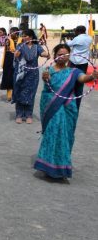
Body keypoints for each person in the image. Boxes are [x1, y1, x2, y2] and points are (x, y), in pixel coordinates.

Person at [34, 44, 98, 179]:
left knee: (64, 134)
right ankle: (47, 166)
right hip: (51, 105)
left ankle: (61, 168)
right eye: (59, 54)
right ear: (55, 55)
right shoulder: (48, 70)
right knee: (52, 132)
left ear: (70, 56)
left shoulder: (73, 72)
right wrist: (45, 77)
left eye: (65, 54)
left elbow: (83, 78)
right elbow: (47, 83)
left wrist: (92, 76)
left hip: (67, 107)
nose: (62, 57)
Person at [13, 29, 49, 124]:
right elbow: (16, 54)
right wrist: (16, 54)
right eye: (23, 36)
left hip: (33, 74)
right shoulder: (20, 45)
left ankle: (29, 114)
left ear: (31, 37)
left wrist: (47, 54)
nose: (24, 38)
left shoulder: (37, 47)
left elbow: (43, 53)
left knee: (31, 94)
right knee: (20, 92)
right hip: (21, 73)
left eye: (25, 36)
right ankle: (19, 114)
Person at [66, 25, 93, 109]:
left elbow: (69, 44)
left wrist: (68, 40)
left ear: (78, 31)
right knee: (81, 81)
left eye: (75, 31)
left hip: (74, 62)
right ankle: (77, 102)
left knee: (70, 80)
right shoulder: (89, 38)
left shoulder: (77, 38)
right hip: (84, 62)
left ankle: (69, 101)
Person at [0, 27, 18, 102]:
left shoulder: (21, 40)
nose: (10, 34)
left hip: (18, 62)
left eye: (12, 32)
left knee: (16, 78)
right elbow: (10, 50)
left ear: (16, 33)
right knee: (8, 78)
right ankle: (9, 95)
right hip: (8, 61)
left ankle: (15, 94)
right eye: (10, 32)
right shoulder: (8, 40)